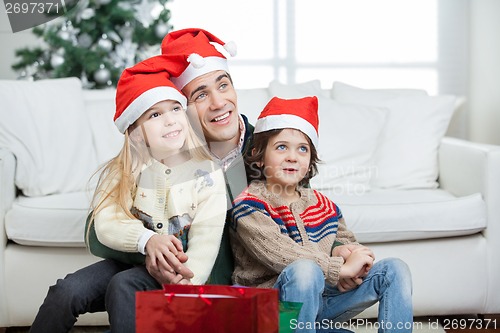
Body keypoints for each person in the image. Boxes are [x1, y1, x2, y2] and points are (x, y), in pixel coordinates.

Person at [30, 28, 253, 333]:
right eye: (199, 95)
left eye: (222, 85)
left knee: (125, 285)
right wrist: (148, 244)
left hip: (193, 273)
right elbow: (99, 229)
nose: (217, 103)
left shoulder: (261, 153)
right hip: (142, 256)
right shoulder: (131, 166)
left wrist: (184, 278)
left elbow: (219, 233)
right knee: (70, 291)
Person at [229, 96, 413, 333]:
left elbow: (347, 240)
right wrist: (339, 269)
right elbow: (282, 254)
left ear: (310, 159)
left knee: (394, 269)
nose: (292, 157)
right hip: (273, 311)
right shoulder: (248, 204)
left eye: (302, 149)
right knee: (305, 270)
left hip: (320, 305)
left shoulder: (324, 205)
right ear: (259, 154)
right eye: (281, 147)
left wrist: (349, 257)